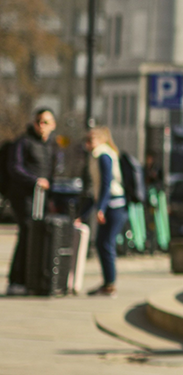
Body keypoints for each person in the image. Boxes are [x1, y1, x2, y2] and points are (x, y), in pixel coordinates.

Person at [5, 108, 59, 296]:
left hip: (41, 197)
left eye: (46, 122)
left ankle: (33, 278)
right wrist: (34, 180)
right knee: (27, 231)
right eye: (38, 121)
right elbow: (15, 167)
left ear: (53, 125)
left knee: (39, 234)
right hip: (24, 196)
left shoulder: (50, 146)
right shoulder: (24, 142)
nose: (41, 126)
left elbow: (51, 172)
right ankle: (16, 279)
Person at [80, 127, 127, 296]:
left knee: (106, 243)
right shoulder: (97, 156)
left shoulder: (103, 155)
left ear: (101, 139)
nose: (87, 143)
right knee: (102, 243)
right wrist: (83, 214)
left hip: (114, 205)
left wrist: (101, 208)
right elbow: (96, 188)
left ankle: (110, 284)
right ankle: (108, 282)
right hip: (110, 204)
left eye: (91, 139)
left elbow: (106, 184)